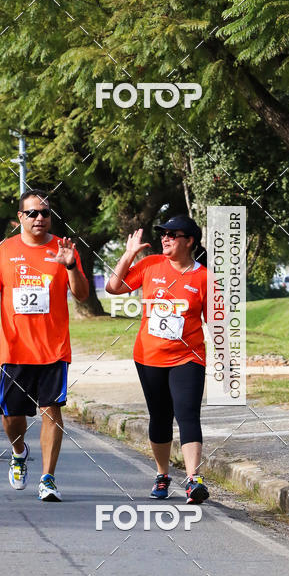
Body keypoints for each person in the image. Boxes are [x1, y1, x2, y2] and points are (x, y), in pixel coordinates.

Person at [0, 189, 89, 501]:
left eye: (45, 213)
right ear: (20, 219)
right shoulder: (4, 250)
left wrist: (71, 266)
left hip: (53, 348)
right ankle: (19, 451)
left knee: (52, 411)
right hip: (15, 350)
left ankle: (48, 478)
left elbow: (81, 295)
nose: (40, 218)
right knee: (12, 416)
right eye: (33, 213)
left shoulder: (63, 249)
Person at [106, 214, 209, 505]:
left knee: (188, 414)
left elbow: (217, 321)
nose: (165, 238)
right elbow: (113, 287)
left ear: (189, 241)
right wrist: (128, 255)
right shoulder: (151, 265)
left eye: (172, 234)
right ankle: (162, 474)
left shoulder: (204, 277)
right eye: (163, 233)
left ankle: (193, 480)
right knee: (160, 418)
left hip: (188, 357)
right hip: (149, 356)